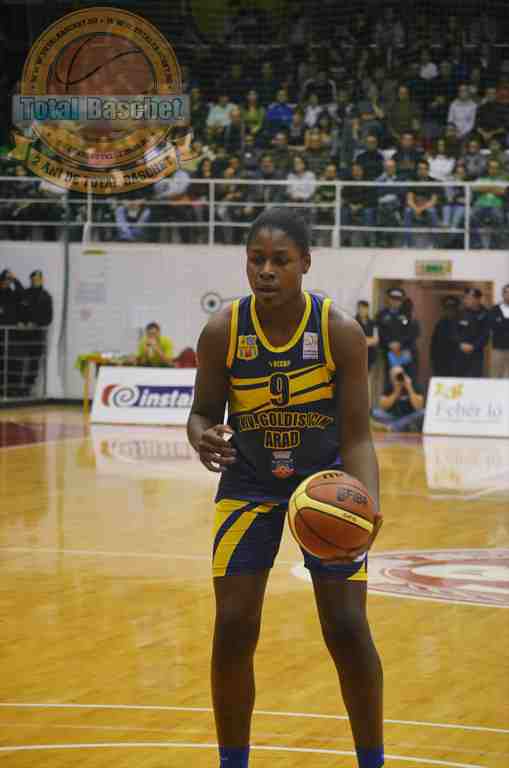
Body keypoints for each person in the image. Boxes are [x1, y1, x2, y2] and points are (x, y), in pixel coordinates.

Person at [187, 207, 384, 768]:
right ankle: (233, 762)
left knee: (346, 627)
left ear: (306, 264)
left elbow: (358, 437)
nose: (266, 271)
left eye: (281, 260)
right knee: (233, 627)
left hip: (324, 487)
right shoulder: (223, 330)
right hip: (248, 485)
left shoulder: (338, 331)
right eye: (256, 260)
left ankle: (372, 761)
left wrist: (368, 508)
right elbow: (201, 413)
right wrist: (202, 438)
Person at [19, 270, 53, 395]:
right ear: (31, 280)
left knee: (33, 363)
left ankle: (27, 388)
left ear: (42, 280)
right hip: (22, 336)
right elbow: (19, 311)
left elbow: (49, 318)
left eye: (38, 279)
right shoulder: (25, 294)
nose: (35, 281)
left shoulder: (46, 296)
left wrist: (36, 323)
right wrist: (21, 322)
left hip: (37, 336)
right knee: (19, 361)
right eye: (33, 279)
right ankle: (16, 387)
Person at [376, 287, 420, 381]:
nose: (395, 302)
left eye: (398, 299)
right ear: (388, 299)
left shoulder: (408, 314)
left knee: (407, 379)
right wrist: (389, 343)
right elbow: (379, 332)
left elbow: (413, 332)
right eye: (393, 299)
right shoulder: (381, 315)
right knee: (391, 380)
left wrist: (400, 343)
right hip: (389, 352)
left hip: (405, 351)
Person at [371, 365, 425, 433]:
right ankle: (399, 426)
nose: (398, 378)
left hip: (410, 415)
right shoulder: (389, 387)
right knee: (375, 412)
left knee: (423, 412)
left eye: (400, 375)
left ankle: (392, 427)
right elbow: (383, 407)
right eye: (395, 376)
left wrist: (409, 388)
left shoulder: (414, 385)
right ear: (391, 378)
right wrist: (396, 391)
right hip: (392, 416)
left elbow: (418, 407)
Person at [451, 288, 489, 377]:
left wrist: (473, 347)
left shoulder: (486, 314)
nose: (466, 300)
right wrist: (460, 344)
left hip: (476, 354)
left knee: (474, 379)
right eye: (465, 298)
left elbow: (485, 334)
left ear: (478, 299)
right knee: (458, 378)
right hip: (460, 352)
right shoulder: (460, 312)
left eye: (469, 298)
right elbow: (453, 331)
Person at [430, 295, 460, 376]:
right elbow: (434, 345)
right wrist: (434, 361)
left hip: (457, 362)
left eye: (452, 308)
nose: (450, 311)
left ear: (456, 309)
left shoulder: (461, 322)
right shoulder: (440, 324)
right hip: (441, 363)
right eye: (447, 309)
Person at [488, 283, 509, 378]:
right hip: (498, 348)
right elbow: (493, 327)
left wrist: (501, 324)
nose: (508, 295)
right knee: (495, 375)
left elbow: (500, 325)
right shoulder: (494, 309)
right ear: (503, 294)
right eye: (506, 292)